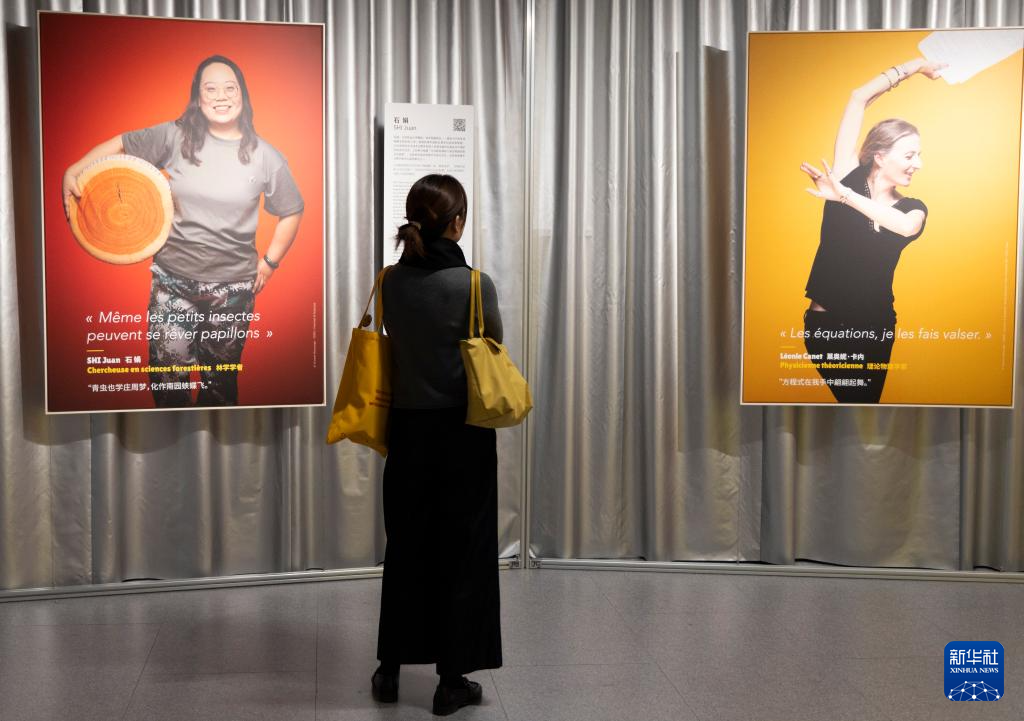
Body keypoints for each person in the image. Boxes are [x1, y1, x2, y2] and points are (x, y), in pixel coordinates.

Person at [62, 54, 304, 407]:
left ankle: (218, 445)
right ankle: (174, 443)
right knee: (167, 382)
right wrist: (75, 169)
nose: (221, 96)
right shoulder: (175, 136)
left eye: (230, 88)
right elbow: (122, 144)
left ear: (242, 94)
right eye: (211, 89)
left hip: (233, 290)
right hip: (172, 283)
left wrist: (269, 263)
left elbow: (291, 210)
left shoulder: (266, 155)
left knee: (219, 385)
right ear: (198, 96)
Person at [373, 174, 503, 716]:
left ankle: (389, 669)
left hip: (406, 430)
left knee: (406, 545)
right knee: (462, 552)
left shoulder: (389, 282)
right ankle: (451, 682)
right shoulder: (472, 285)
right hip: (461, 433)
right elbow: (493, 345)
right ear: (457, 223)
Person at [799, 57, 945, 403]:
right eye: (909, 155)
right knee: (850, 410)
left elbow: (905, 228)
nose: (918, 164)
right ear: (880, 156)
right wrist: (916, 66)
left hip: (874, 329)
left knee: (862, 408)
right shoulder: (846, 175)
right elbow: (857, 98)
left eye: (919, 155)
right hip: (826, 328)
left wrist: (843, 196)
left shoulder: (912, 207)